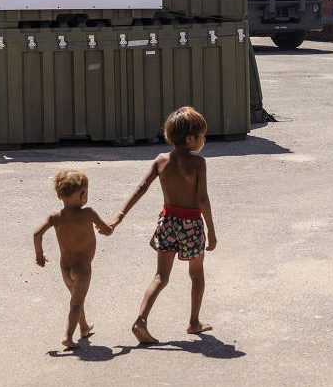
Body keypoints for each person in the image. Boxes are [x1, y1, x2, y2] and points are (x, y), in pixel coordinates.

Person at [108, 106, 217, 345]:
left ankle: (141, 320)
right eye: (201, 136)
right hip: (191, 224)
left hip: (167, 222)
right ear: (190, 138)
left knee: (160, 276)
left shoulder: (160, 160)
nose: (204, 140)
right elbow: (202, 199)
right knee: (196, 274)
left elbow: (141, 188)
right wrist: (211, 231)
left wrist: (119, 216)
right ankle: (194, 322)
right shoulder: (198, 164)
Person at [33, 170, 113, 350]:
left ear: (59, 194)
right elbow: (107, 230)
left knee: (77, 297)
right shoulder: (89, 213)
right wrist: (108, 228)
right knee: (76, 302)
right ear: (83, 194)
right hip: (82, 268)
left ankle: (83, 327)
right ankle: (68, 337)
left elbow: (37, 234)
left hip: (65, 268)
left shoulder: (55, 216)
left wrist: (39, 254)